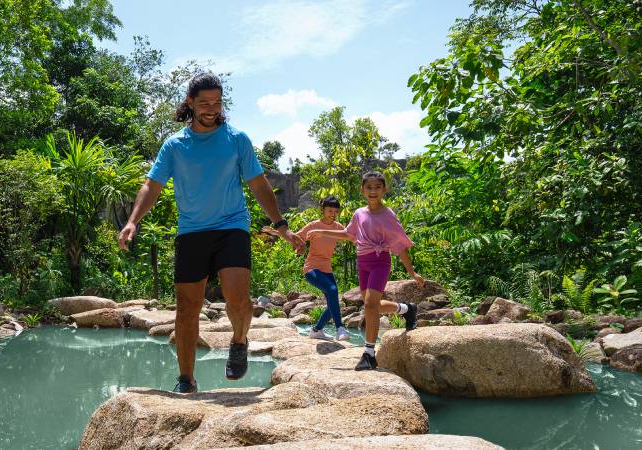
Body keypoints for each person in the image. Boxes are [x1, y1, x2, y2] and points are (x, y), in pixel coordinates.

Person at [118, 73, 301, 394]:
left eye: (217, 102)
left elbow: (259, 185)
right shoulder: (175, 145)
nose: (211, 108)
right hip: (192, 232)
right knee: (187, 307)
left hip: (232, 227)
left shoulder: (236, 139)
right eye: (204, 103)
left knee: (238, 298)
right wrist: (133, 220)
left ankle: (239, 340)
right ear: (190, 103)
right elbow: (152, 185)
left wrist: (280, 225)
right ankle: (186, 379)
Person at [304, 172, 424, 371]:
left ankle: (369, 353)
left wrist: (412, 272)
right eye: (369, 187)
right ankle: (407, 309)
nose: (373, 191)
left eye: (377, 187)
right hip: (363, 263)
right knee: (372, 306)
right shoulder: (359, 213)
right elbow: (348, 234)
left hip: (380, 262)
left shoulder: (388, 215)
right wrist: (321, 231)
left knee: (369, 304)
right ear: (362, 190)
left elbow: (401, 245)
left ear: (384, 190)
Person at [262, 196, 350, 341]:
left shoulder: (338, 227)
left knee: (333, 304)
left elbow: (351, 235)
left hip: (327, 269)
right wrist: (276, 232)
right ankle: (340, 328)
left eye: (335, 211)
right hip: (312, 269)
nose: (332, 214)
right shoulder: (313, 226)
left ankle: (316, 330)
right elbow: (295, 237)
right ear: (323, 210)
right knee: (333, 291)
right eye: (329, 211)